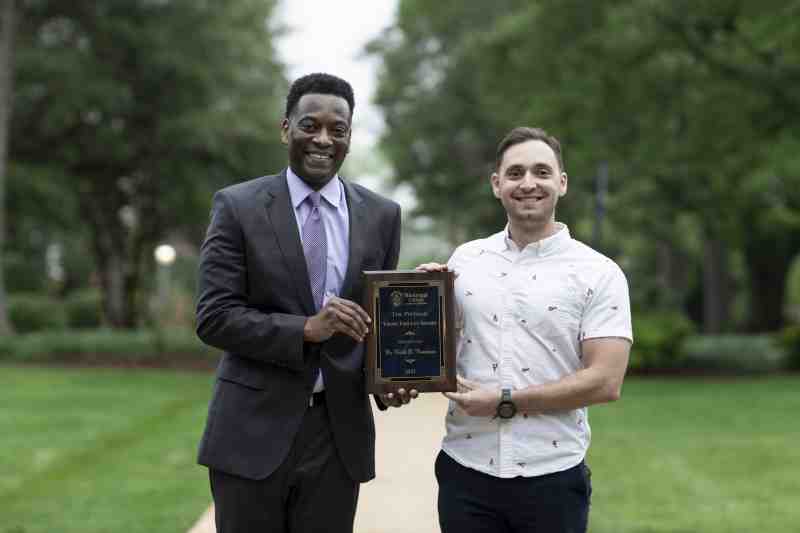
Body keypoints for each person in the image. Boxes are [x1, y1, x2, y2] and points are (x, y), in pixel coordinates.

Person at [195, 72, 414, 533]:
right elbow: (214, 318)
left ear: (350, 137)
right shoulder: (238, 207)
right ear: (285, 129)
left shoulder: (382, 216)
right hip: (252, 431)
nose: (323, 139)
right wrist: (307, 329)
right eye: (309, 125)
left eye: (338, 130)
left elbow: (372, 323)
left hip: (338, 437)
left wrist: (390, 374)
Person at [418, 126, 633, 533]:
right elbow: (438, 351)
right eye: (515, 173)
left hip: (552, 477)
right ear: (497, 184)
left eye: (541, 172)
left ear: (562, 183)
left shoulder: (599, 273)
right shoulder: (465, 260)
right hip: (466, 469)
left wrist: (504, 401)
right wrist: (419, 297)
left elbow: (605, 381)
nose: (528, 183)